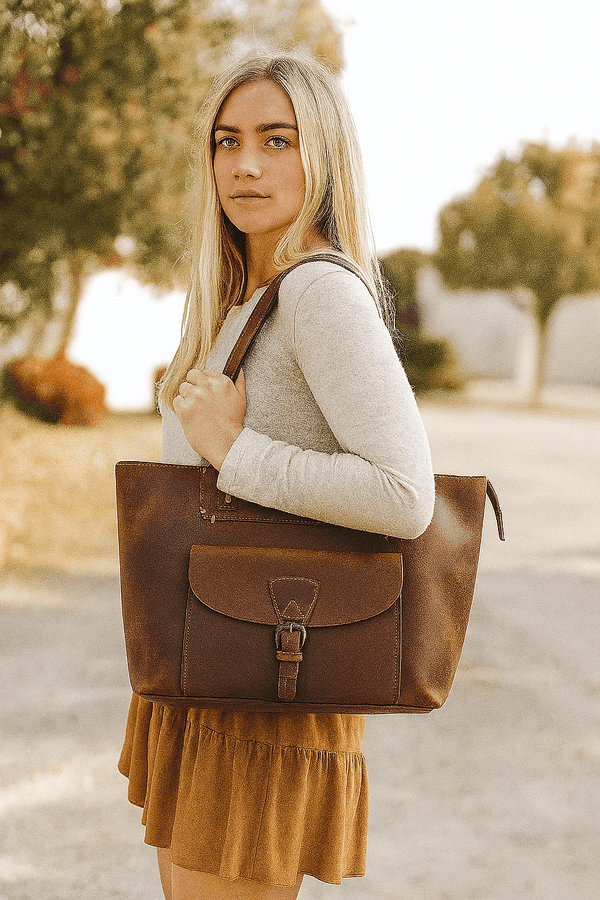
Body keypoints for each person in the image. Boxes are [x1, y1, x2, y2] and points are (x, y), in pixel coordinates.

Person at [118, 52, 435, 900]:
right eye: (227, 141)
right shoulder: (246, 297)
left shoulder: (319, 293)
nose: (245, 164)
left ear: (323, 155)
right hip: (205, 669)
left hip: (263, 686)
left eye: (276, 140)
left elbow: (405, 495)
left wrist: (236, 453)